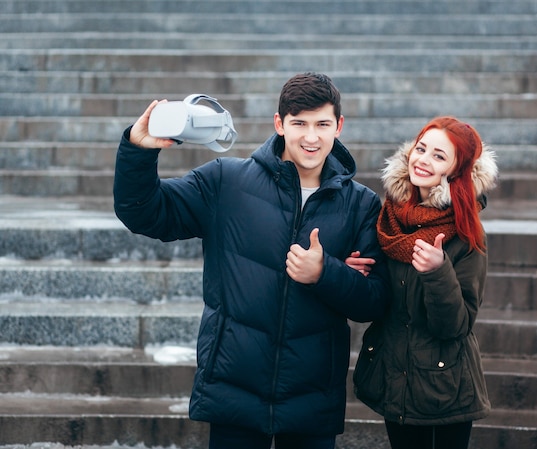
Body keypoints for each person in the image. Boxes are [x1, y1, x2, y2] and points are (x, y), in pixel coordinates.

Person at [113, 72, 390, 449]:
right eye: (299, 124)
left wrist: (326, 272)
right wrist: (138, 150)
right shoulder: (225, 181)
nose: (311, 137)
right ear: (279, 124)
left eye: (323, 124)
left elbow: (373, 300)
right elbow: (144, 212)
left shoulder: (361, 204)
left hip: (312, 394)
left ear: (338, 126)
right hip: (234, 386)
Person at [351, 116, 497, 449]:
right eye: (421, 148)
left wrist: (437, 271)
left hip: (447, 386)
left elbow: (456, 325)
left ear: (457, 171)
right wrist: (353, 269)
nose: (423, 160)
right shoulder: (390, 216)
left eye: (439, 156)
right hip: (395, 378)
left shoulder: (466, 232)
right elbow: (380, 295)